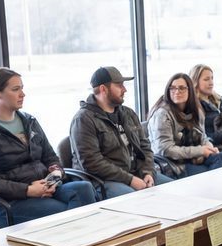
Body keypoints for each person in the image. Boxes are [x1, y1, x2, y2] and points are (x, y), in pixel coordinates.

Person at [0, 68, 96, 228]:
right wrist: (27, 190)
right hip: (9, 202)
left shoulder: (29, 121)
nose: (22, 94)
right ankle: (77, 245)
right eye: (15, 89)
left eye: (22, 88)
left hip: (43, 188)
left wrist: (52, 179)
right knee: (65, 213)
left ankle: (81, 244)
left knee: (84, 188)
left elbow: (51, 158)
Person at [69, 66, 172, 199]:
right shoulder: (83, 119)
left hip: (135, 174)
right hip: (103, 180)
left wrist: (148, 172)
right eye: (119, 85)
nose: (125, 89)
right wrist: (130, 180)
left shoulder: (128, 114)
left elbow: (145, 147)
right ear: (103, 89)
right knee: (139, 200)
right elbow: (92, 163)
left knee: (173, 191)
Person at [148, 73, 222, 177]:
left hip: (193, 157)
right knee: (209, 172)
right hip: (174, 163)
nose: (177, 92)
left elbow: (203, 136)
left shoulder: (197, 110)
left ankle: (211, 187)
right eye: (173, 88)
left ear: (190, 91)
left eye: (182, 88)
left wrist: (208, 146)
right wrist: (200, 151)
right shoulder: (162, 114)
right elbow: (165, 150)